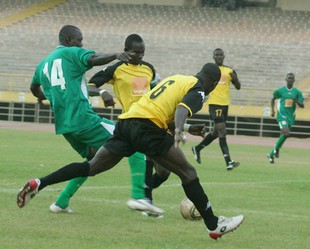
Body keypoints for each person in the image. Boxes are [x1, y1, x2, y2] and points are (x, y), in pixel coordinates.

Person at [17, 62, 244, 240]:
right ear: (213, 83)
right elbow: (183, 109)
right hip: (147, 128)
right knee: (188, 173)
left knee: (91, 167)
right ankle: (214, 225)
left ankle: (40, 183)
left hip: (126, 123)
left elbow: (164, 109)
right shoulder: (199, 89)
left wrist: (184, 127)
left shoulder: (178, 78)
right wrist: (178, 131)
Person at [29, 25, 163, 215]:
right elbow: (93, 59)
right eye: (79, 40)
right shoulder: (72, 53)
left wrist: (49, 96)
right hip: (83, 119)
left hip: (65, 126)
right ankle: (139, 197)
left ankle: (61, 202)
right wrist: (116, 55)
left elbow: (34, 88)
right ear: (68, 40)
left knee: (93, 160)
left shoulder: (42, 64)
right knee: (133, 141)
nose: (81, 44)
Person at [192, 48, 241, 170]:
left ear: (224, 56)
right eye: (216, 55)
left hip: (225, 105)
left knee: (215, 133)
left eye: (221, 55)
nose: (219, 57)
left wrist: (235, 78)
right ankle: (228, 161)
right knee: (222, 131)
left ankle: (197, 148)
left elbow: (238, 87)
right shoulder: (210, 71)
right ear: (213, 57)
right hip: (214, 104)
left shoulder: (229, 71)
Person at [267, 72, 304, 163]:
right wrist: (272, 110)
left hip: (291, 117)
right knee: (286, 132)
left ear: (294, 80)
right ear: (286, 79)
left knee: (285, 135)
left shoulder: (297, 92)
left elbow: (302, 105)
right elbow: (273, 99)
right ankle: (277, 148)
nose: (290, 79)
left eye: (292, 78)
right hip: (282, 115)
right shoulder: (280, 91)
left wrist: (297, 102)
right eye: (289, 78)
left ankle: (271, 154)